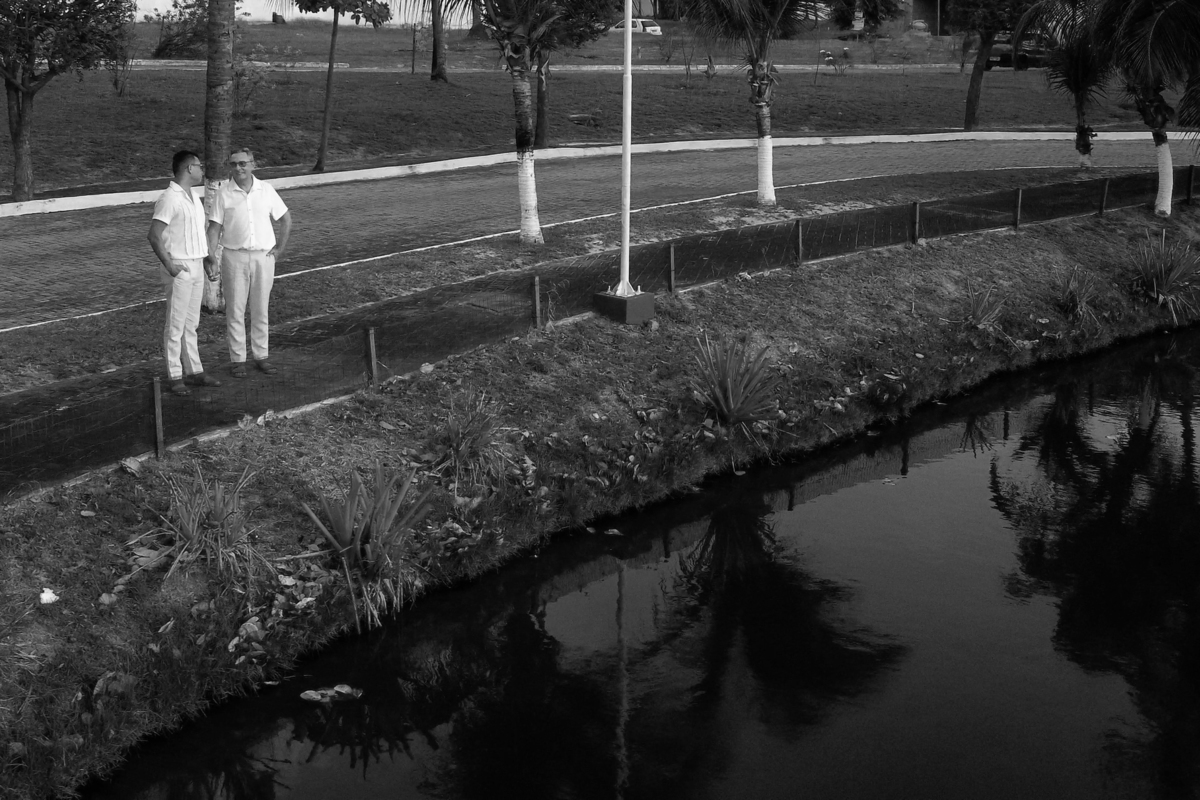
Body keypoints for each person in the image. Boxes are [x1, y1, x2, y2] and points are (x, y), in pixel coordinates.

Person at [206, 146, 292, 377]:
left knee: (260, 308)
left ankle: (261, 356)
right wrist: (210, 256)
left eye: (243, 163)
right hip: (234, 257)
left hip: (264, 257)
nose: (238, 168)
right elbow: (214, 228)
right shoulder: (223, 193)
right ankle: (238, 360)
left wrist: (279, 249)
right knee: (235, 310)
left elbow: (285, 218)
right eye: (234, 164)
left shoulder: (266, 190)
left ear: (253, 164)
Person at [148, 150, 221, 396]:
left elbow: (199, 232)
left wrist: (208, 257)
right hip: (179, 265)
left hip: (196, 264)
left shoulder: (193, 197)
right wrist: (170, 265)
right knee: (176, 323)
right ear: (189, 168)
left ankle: (194, 370)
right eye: (199, 166)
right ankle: (175, 374)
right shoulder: (170, 198)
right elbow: (154, 235)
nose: (202, 170)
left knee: (191, 322)